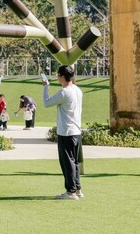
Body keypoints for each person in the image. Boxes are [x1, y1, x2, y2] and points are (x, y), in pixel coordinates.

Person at [42, 65, 83, 200]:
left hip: (66, 132)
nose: (57, 77)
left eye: (58, 74)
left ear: (62, 76)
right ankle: (77, 189)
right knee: (75, 161)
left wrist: (45, 87)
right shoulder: (77, 90)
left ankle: (70, 192)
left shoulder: (64, 92)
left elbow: (47, 103)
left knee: (68, 162)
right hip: (76, 131)